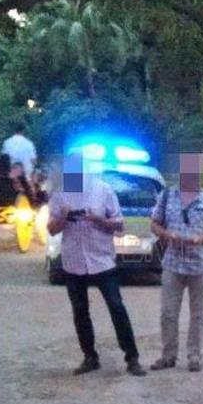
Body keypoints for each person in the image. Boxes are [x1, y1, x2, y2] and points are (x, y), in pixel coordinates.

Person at [46, 152, 146, 377]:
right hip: (74, 261)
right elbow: (51, 229)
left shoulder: (102, 190)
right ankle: (90, 357)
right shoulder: (61, 194)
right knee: (80, 311)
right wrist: (63, 218)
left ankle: (132, 357)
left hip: (101, 259)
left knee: (116, 307)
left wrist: (97, 219)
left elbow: (119, 224)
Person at [149, 154, 203, 372]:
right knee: (168, 313)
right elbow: (154, 223)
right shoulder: (167, 196)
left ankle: (195, 356)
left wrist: (202, 239)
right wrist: (166, 235)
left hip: (200, 265)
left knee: (199, 313)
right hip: (173, 263)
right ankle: (168, 356)